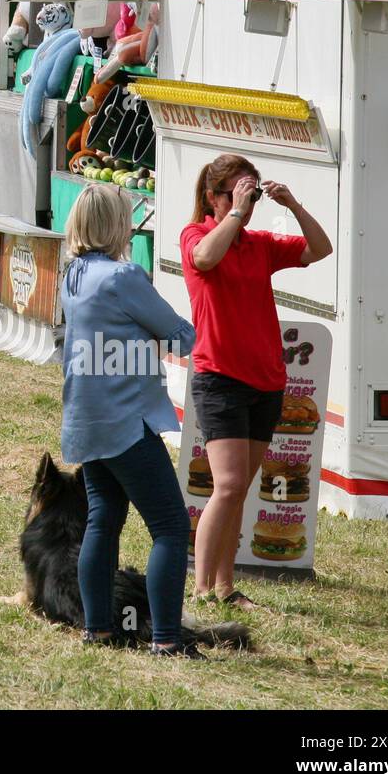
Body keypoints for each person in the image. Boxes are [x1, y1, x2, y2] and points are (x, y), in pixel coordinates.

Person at [180, 154, 332, 608]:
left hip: (265, 381)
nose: (245, 202)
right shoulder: (198, 234)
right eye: (234, 192)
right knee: (225, 487)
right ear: (213, 197)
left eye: (251, 193)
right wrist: (234, 214)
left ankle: (225, 586)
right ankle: (201, 586)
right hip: (219, 379)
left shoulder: (259, 244)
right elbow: (205, 259)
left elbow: (319, 249)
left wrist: (294, 206)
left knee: (239, 490)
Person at [59, 184, 199, 656]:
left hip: (87, 418)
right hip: (126, 421)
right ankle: (166, 639)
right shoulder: (124, 276)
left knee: (104, 520)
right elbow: (179, 335)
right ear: (117, 226)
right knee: (170, 527)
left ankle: (98, 628)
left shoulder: (73, 275)